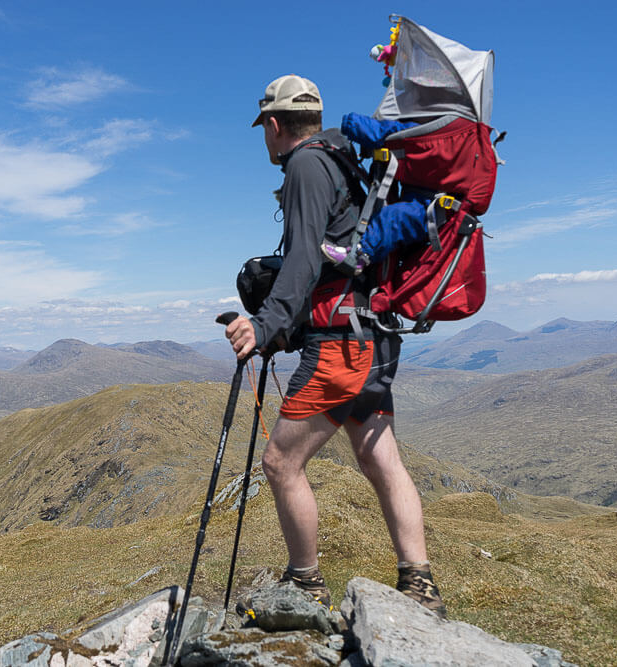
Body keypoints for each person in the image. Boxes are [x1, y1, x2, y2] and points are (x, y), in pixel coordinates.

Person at [225, 74, 446, 618]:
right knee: (379, 456)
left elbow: (303, 258)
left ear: (274, 126)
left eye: (265, 129)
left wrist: (265, 324)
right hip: (375, 334)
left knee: (280, 462)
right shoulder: (346, 156)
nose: (266, 138)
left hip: (340, 344)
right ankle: (419, 585)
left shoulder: (304, 164)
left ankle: (305, 585)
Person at [320, 113, 431, 274]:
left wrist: (350, 123)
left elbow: (384, 131)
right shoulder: (453, 132)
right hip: (434, 203)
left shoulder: (428, 130)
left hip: (428, 206)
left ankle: (358, 255)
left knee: (392, 218)